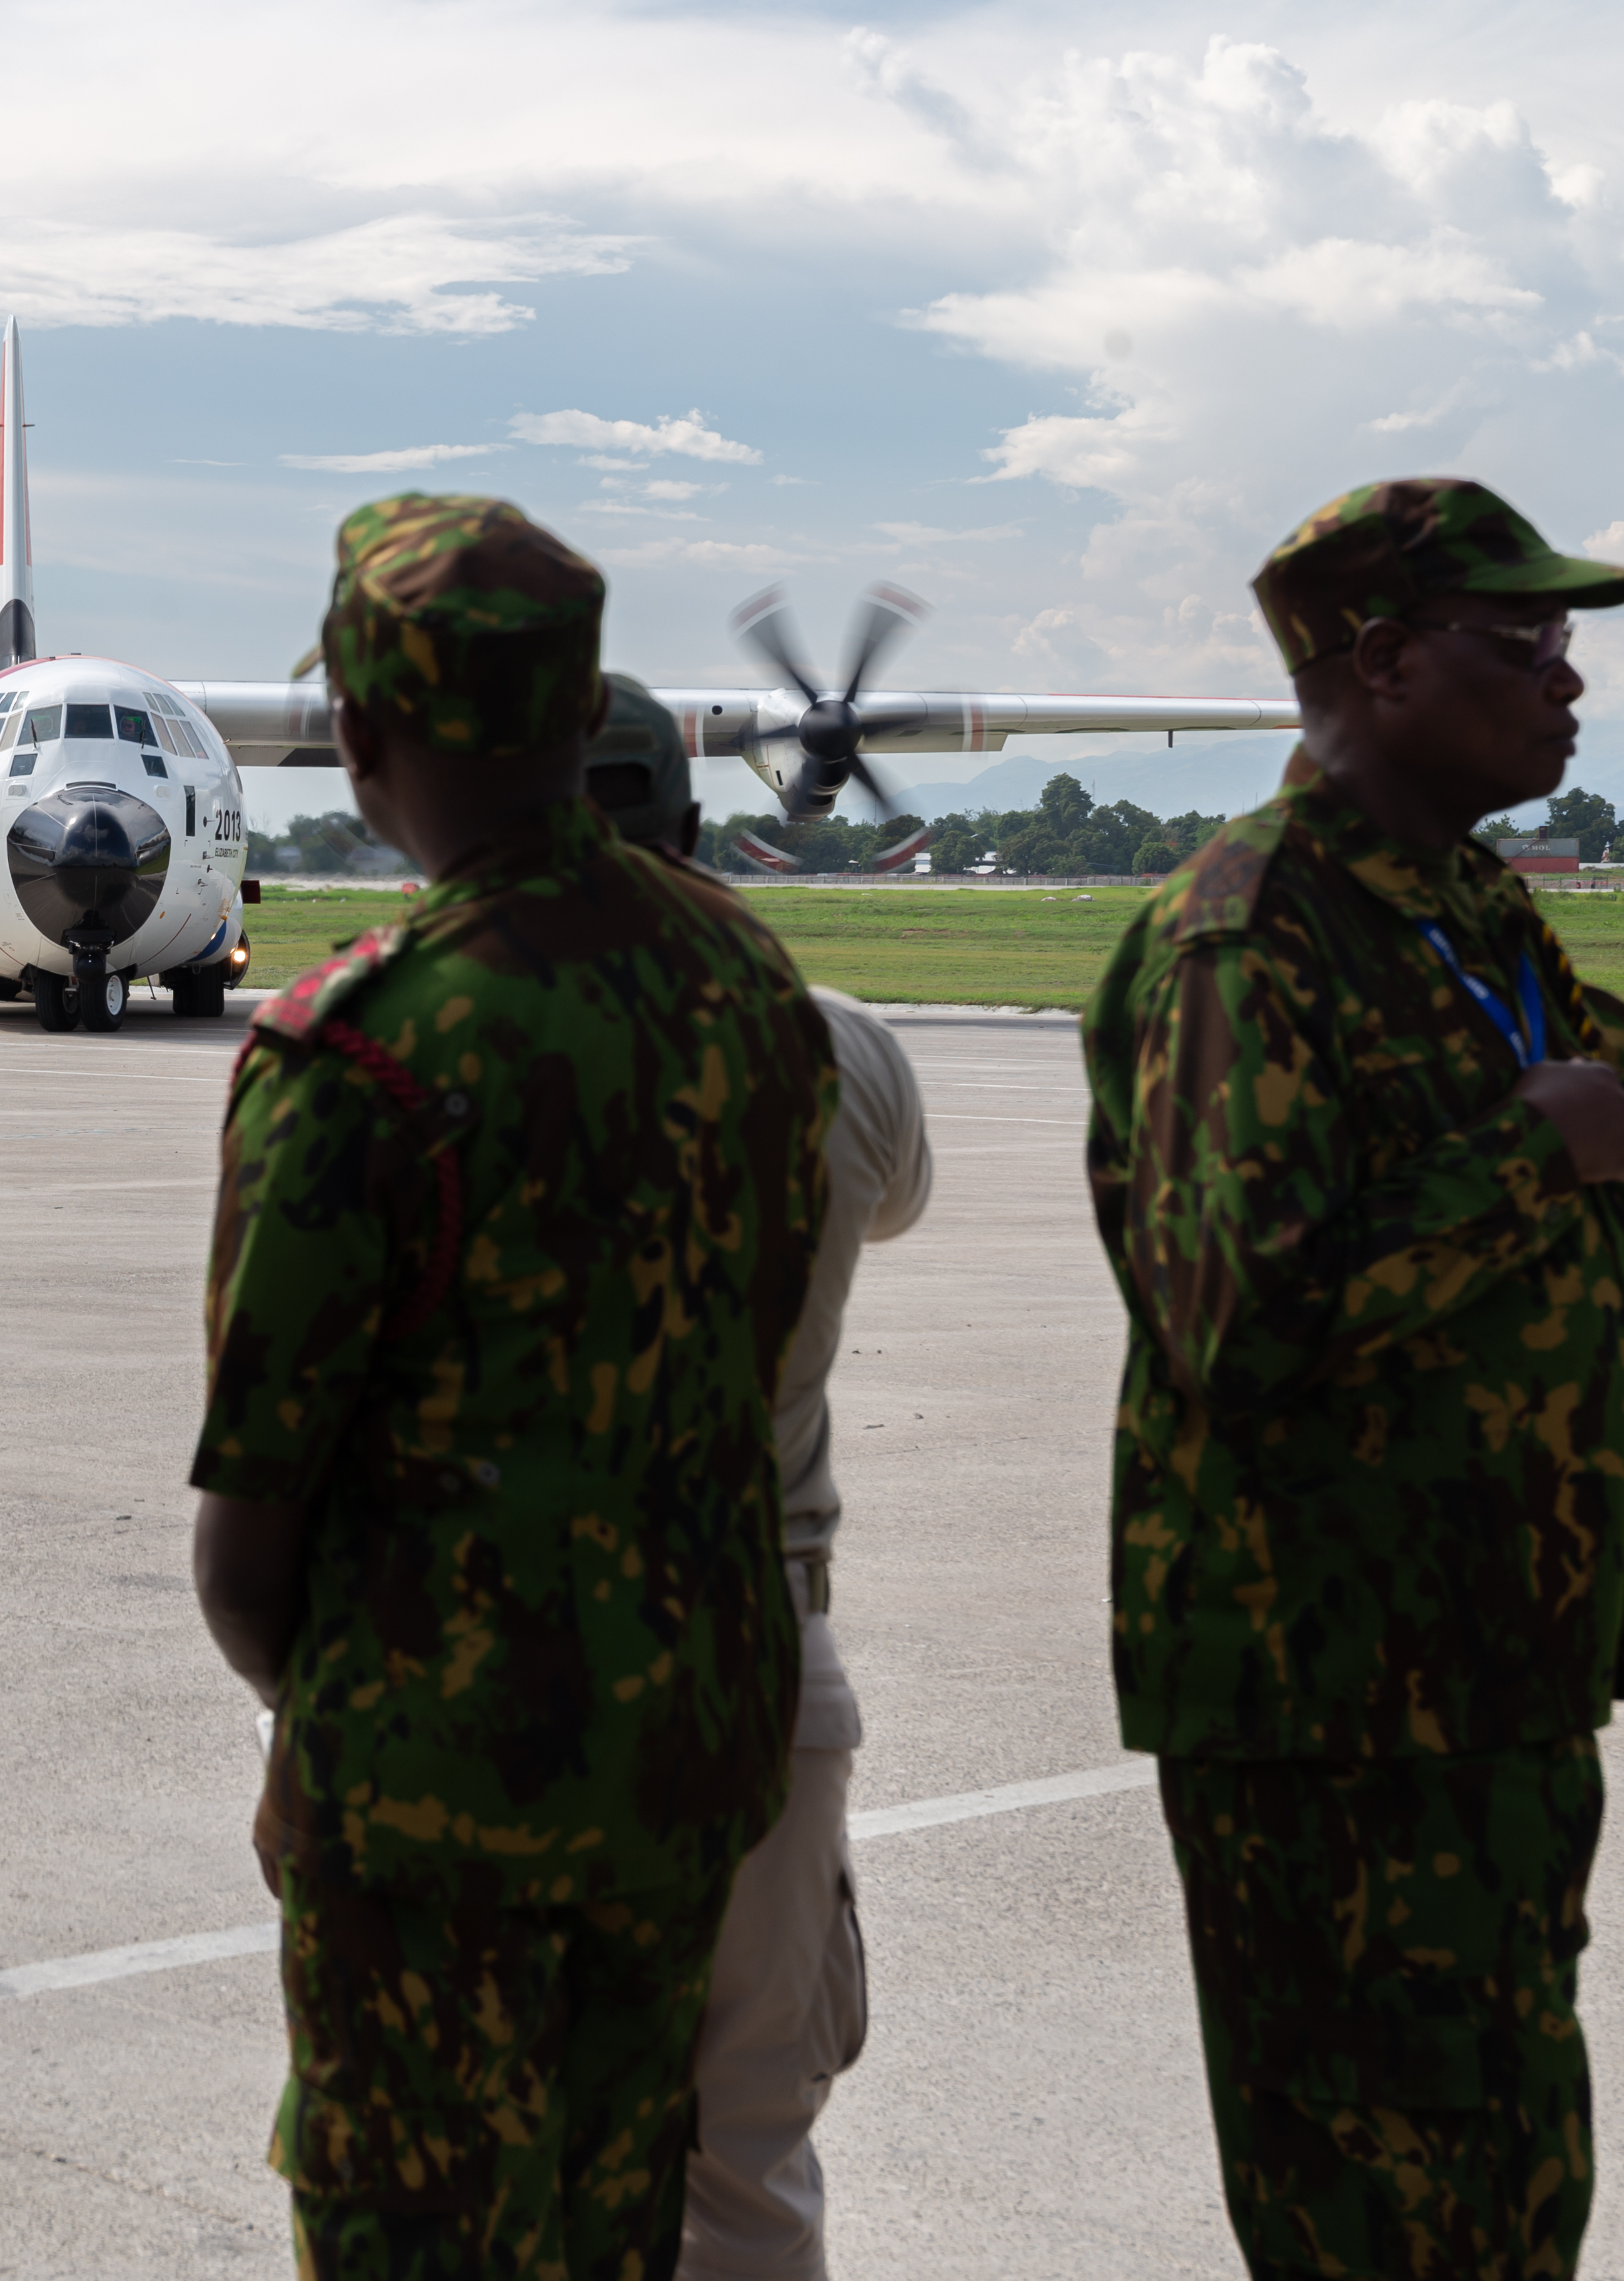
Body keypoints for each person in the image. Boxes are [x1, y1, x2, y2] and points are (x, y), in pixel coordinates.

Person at [191, 495, 833, 2280]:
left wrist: (323, 1723)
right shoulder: (750, 995)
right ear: (583, 711)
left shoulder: (368, 1047)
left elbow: (253, 1540)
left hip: (431, 1812)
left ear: (361, 727)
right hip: (683, 1775)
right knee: (619, 2223)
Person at [1084, 478, 1624, 2279]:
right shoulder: (1248, 937)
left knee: (1508, 2181)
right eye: (1528, 646)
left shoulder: (1471, 911)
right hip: (1333, 1706)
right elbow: (1237, 1321)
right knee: (1374, 2204)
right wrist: (1528, 1153)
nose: (1571, 684)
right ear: (1389, 661)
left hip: (1499, 1677)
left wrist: (1586, 1145)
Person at [583, 697, 933, 2280]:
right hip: (763, 1673)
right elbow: (902, 1202)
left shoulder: (384, 1051)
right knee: (749, 2162)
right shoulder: (840, 1042)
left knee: (462, 2166)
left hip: (460, 1680)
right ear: (693, 833)